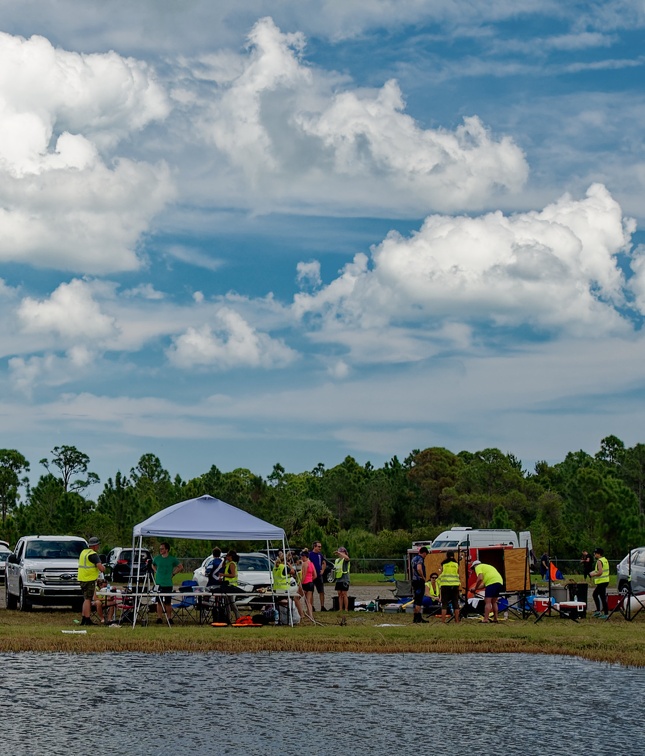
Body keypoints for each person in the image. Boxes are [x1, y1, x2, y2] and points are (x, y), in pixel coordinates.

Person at [152, 542, 183, 625]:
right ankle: (159, 617)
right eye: (160, 549)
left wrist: (173, 573)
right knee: (159, 601)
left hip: (168, 583)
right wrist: (156, 571)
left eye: (162, 549)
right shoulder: (157, 558)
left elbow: (180, 566)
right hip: (158, 582)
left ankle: (169, 618)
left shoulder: (172, 559)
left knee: (168, 602)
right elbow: (152, 565)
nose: (161, 550)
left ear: (167, 549)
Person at [78, 536, 105, 626]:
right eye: (98, 545)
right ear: (95, 545)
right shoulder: (93, 554)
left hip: (82, 578)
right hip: (89, 579)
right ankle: (87, 619)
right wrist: (104, 568)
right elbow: (100, 568)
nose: (98, 547)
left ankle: (83, 618)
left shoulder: (83, 552)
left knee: (85, 599)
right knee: (88, 599)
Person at [272, 553, 304, 620]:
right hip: (284, 589)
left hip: (276, 589)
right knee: (296, 593)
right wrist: (290, 566)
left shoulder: (275, 567)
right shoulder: (284, 567)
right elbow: (294, 572)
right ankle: (298, 614)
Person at [471, 559, 503, 623]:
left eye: (473, 569)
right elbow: (484, 585)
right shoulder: (488, 567)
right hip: (499, 582)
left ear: (474, 566)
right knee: (494, 602)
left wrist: (475, 588)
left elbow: (480, 578)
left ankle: (485, 619)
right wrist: (476, 589)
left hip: (491, 583)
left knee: (487, 601)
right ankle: (495, 618)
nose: (474, 571)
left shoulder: (478, 567)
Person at [438, 550, 461, 624]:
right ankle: (457, 620)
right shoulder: (456, 564)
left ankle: (443, 621)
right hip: (455, 585)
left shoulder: (443, 564)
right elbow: (458, 573)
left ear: (447, 555)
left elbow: (441, 573)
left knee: (444, 603)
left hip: (445, 585)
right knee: (455, 603)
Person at [590, 547, 610, 618]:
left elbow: (600, 572)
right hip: (605, 581)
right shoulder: (605, 560)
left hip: (602, 582)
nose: (594, 554)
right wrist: (594, 571)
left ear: (598, 554)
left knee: (595, 594)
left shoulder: (599, 561)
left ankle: (600, 611)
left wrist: (593, 574)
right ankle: (604, 613)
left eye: (595, 553)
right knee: (602, 597)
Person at [411, 546, 429, 623]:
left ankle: (416, 617)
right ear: (424, 553)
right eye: (426, 554)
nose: (425, 556)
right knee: (419, 600)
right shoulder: (420, 559)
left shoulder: (414, 558)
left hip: (414, 580)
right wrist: (423, 577)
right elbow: (419, 568)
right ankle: (418, 618)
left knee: (416, 599)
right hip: (419, 581)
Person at [309, 541, 327, 611]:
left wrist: (322, 570)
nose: (320, 548)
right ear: (315, 547)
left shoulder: (320, 555)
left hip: (319, 575)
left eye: (320, 547)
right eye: (319, 547)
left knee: (321, 591)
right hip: (312, 575)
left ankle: (322, 606)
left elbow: (324, 563)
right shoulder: (310, 554)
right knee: (311, 591)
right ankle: (312, 606)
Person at [299, 548, 317, 617]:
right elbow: (315, 575)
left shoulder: (305, 564)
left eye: (301, 557)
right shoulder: (311, 563)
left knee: (296, 598)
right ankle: (311, 615)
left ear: (304, 556)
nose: (301, 558)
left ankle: (301, 614)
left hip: (305, 583)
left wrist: (301, 584)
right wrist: (310, 579)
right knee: (308, 601)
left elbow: (304, 575)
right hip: (311, 583)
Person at [334, 547, 351, 612]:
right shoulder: (337, 560)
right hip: (338, 579)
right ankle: (340, 608)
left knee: (344, 594)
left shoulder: (345, 560)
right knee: (339, 594)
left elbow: (347, 558)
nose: (340, 554)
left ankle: (346, 609)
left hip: (345, 579)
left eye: (341, 552)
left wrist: (341, 554)